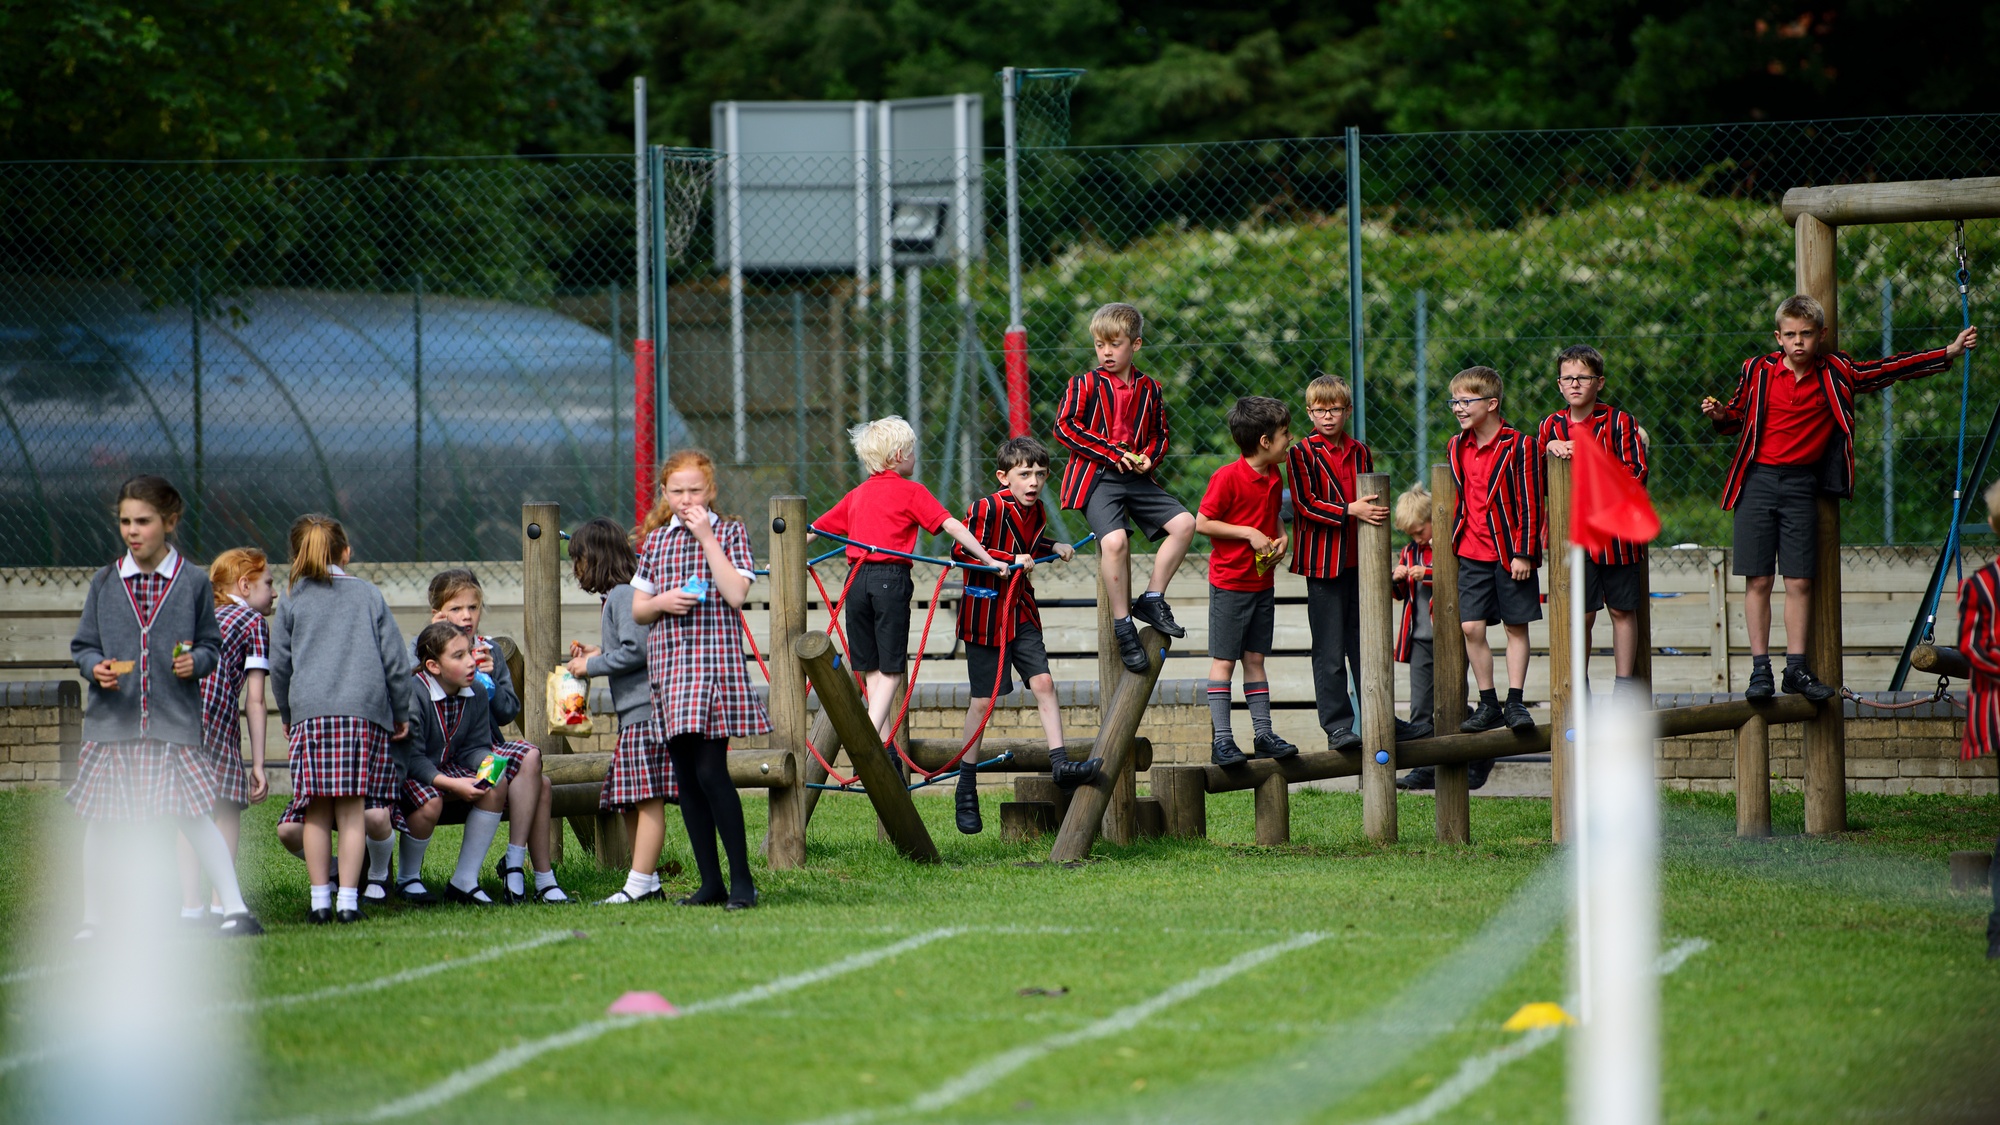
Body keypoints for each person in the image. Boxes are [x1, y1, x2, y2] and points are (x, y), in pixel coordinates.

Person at [1702, 295, 1977, 700]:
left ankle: (1796, 668)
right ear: (1778, 337)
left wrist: (1946, 353)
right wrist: (1720, 415)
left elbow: (1887, 369)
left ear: (1821, 335)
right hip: (1756, 480)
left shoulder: (1836, 371)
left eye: (1806, 334)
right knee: (1758, 578)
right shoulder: (1757, 370)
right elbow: (1738, 415)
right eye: (1790, 335)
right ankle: (1760, 671)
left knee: (1799, 580)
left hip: (1802, 484)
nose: (1798, 342)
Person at [68, 476, 261, 939]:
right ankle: (93, 921)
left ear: (170, 522)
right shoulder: (105, 581)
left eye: (143, 521)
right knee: (102, 821)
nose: (132, 531)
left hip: (173, 722)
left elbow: (211, 645)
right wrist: (95, 667)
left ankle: (235, 910)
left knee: (193, 814)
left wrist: (198, 662)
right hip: (114, 724)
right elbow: (83, 645)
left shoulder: (192, 582)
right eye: (125, 522)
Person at [630, 450, 770, 910]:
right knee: (686, 778)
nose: (686, 499)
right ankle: (711, 883)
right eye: (678, 491)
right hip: (670, 669)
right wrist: (662, 602)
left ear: (710, 490)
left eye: (695, 490)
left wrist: (707, 536)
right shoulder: (656, 541)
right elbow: (639, 608)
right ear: (664, 493)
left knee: (711, 771)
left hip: (713, 666)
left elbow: (735, 593)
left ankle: (742, 882)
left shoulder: (729, 532)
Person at [813, 416, 1003, 745]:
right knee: (891, 671)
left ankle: (884, 754)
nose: (915, 457)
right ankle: (866, 740)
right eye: (912, 452)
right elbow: (951, 525)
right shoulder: (911, 491)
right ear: (899, 455)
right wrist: (988, 559)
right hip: (889, 577)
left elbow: (815, 528)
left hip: (855, 581)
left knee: (872, 670)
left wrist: (782, 557)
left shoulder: (856, 494)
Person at [270, 513, 412, 924]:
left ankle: (320, 902)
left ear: (296, 554)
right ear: (345, 553)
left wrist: (289, 711)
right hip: (362, 714)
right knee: (352, 811)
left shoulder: (292, 597)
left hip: (310, 714)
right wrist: (400, 711)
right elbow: (395, 662)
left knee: (315, 810)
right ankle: (349, 902)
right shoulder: (368, 594)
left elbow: (280, 664)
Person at [950, 436, 1094, 834]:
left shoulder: (1038, 510)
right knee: (983, 702)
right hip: (986, 614)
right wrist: (1008, 559)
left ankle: (1061, 764)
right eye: (1025, 474)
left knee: (1044, 682)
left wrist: (1053, 545)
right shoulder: (986, 507)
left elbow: (1028, 545)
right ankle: (966, 786)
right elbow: (961, 551)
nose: (1033, 482)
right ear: (1004, 477)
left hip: (1021, 610)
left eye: (1040, 474)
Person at [1054, 302, 1199, 673]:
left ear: (1135, 344)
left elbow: (1160, 434)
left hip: (1136, 477)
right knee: (1115, 542)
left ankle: (1152, 598)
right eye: (1099, 345)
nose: (1106, 352)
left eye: (1114, 344)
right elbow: (1065, 427)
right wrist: (1111, 452)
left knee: (1185, 523)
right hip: (1097, 477)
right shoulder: (1083, 384)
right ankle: (1123, 626)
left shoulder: (1150, 388)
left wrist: (1149, 457)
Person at [397, 621, 569, 906]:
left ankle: (464, 881)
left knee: (495, 779)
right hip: (414, 773)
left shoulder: (476, 690)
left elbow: (475, 747)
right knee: (432, 803)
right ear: (433, 666)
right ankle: (407, 878)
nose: (470, 662)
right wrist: (452, 784)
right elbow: (411, 759)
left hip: (451, 766)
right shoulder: (415, 693)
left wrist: (490, 764)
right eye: (458, 656)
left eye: (469, 652)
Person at [565, 517, 681, 904]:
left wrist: (591, 666)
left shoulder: (622, 594)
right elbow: (631, 645)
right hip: (635, 715)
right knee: (631, 799)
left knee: (647, 799)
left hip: (646, 713)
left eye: (579, 559)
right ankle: (647, 884)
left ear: (596, 557)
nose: (576, 569)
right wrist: (599, 652)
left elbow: (638, 651)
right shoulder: (620, 595)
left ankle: (637, 884)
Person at [1540, 344, 1650, 704]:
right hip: (1572, 535)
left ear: (1599, 382)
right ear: (1559, 384)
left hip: (1616, 534)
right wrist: (1550, 450)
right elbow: (1537, 479)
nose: (1575, 384)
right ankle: (1579, 687)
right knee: (1581, 613)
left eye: (1583, 378)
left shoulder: (1620, 422)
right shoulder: (1550, 426)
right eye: (1567, 378)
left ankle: (1624, 687)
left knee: (1621, 608)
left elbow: (1636, 473)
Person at [1195, 396, 1301, 766]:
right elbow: (1203, 522)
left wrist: (1281, 536)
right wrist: (1248, 533)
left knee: (1255, 659)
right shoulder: (1227, 477)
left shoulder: (1274, 475)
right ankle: (1222, 741)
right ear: (1265, 441)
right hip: (1230, 585)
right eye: (1285, 433)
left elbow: (1273, 517)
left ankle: (1263, 734)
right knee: (1224, 662)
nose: (1290, 438)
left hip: (1262, 584)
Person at [1286, 373, 1388, 753]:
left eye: (1334, 409)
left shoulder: (1360, 451)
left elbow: (1370, 497)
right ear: (1309, 413)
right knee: (1329, 650)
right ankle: (1338, 727)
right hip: (1323, 565)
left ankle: (1380, 717)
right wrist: (1349, 510)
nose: (1327, 417)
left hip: (1361, 563)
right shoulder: (1300, 453)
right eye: (1319, 410)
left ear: (1347, 410)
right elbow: (1305, 504)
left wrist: (1361, 511)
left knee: (1367, 645)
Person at [1445, 366, 1543, 735]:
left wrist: (1525, 551)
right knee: (1471, 626)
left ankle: (1515, 701)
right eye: (1454, 401)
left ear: (1491, 403)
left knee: (1515, 625)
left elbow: (1532, 502)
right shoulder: (1456, 445)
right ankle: (1489, 703)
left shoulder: (1520, 445)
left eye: (1465, 401)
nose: (1458, 408)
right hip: (1472, 550)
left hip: (1510, 552)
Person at [179, 547, 272, 924]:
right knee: (226, 805)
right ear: (245, 585)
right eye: (269, 584)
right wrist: (259, 764)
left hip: (178, 714)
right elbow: (255, 700)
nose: (274, 592)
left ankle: (190, 906)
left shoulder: (196, 613)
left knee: (188, 808)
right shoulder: (253, 621)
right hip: (216, 716)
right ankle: (222, 902)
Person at [1956, 478, 2000, 960]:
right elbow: (1974, 648)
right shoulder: (1983, 585)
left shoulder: (1979, 585)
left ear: (1991, 525)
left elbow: (1972, 646)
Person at [424, 568, 522, 730]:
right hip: (439, 741)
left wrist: (490, 681)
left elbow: (507, 713)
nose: (467, 616)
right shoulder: (424, 650)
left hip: (484, 740)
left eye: (473, 607)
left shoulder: (489, 651)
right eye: (456, 609)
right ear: (438, 615)